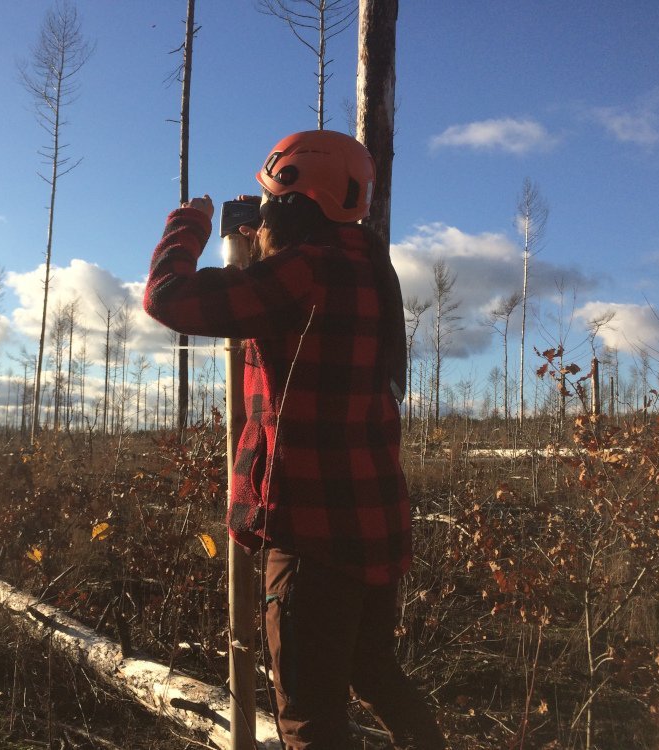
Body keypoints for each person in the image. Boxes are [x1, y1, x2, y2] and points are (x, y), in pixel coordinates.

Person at [143, 130, 446, 749]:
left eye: (268, 198)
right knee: (374, 670)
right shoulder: (367, 267)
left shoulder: (303, 272)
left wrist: (189, 226)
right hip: (375, 524)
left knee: (308, 719)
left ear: (291, 195)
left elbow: (167, 298)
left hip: (312, 535)